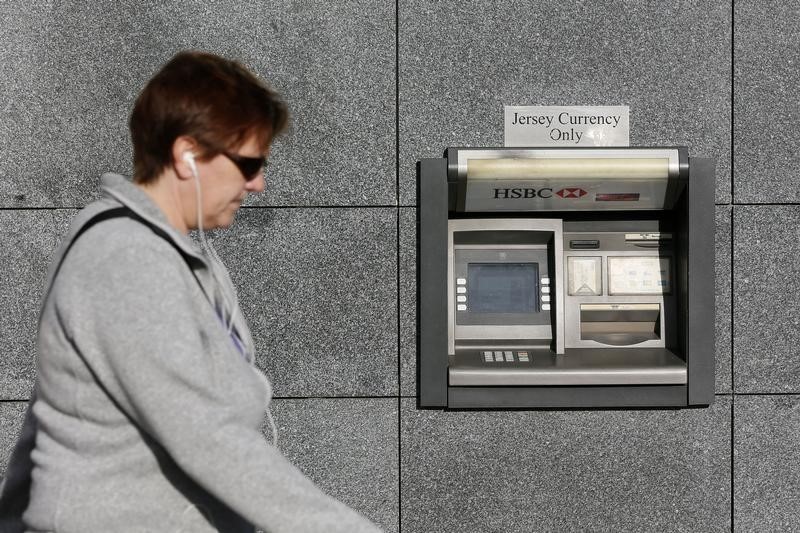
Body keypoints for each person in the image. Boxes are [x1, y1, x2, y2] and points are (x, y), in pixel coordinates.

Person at [0, 51, 382, 533]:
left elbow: (47, 418)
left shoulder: (168, 253)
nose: (259, 184)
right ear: (187, 155)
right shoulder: (125, 259)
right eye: (248, 163)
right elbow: (207, 436)